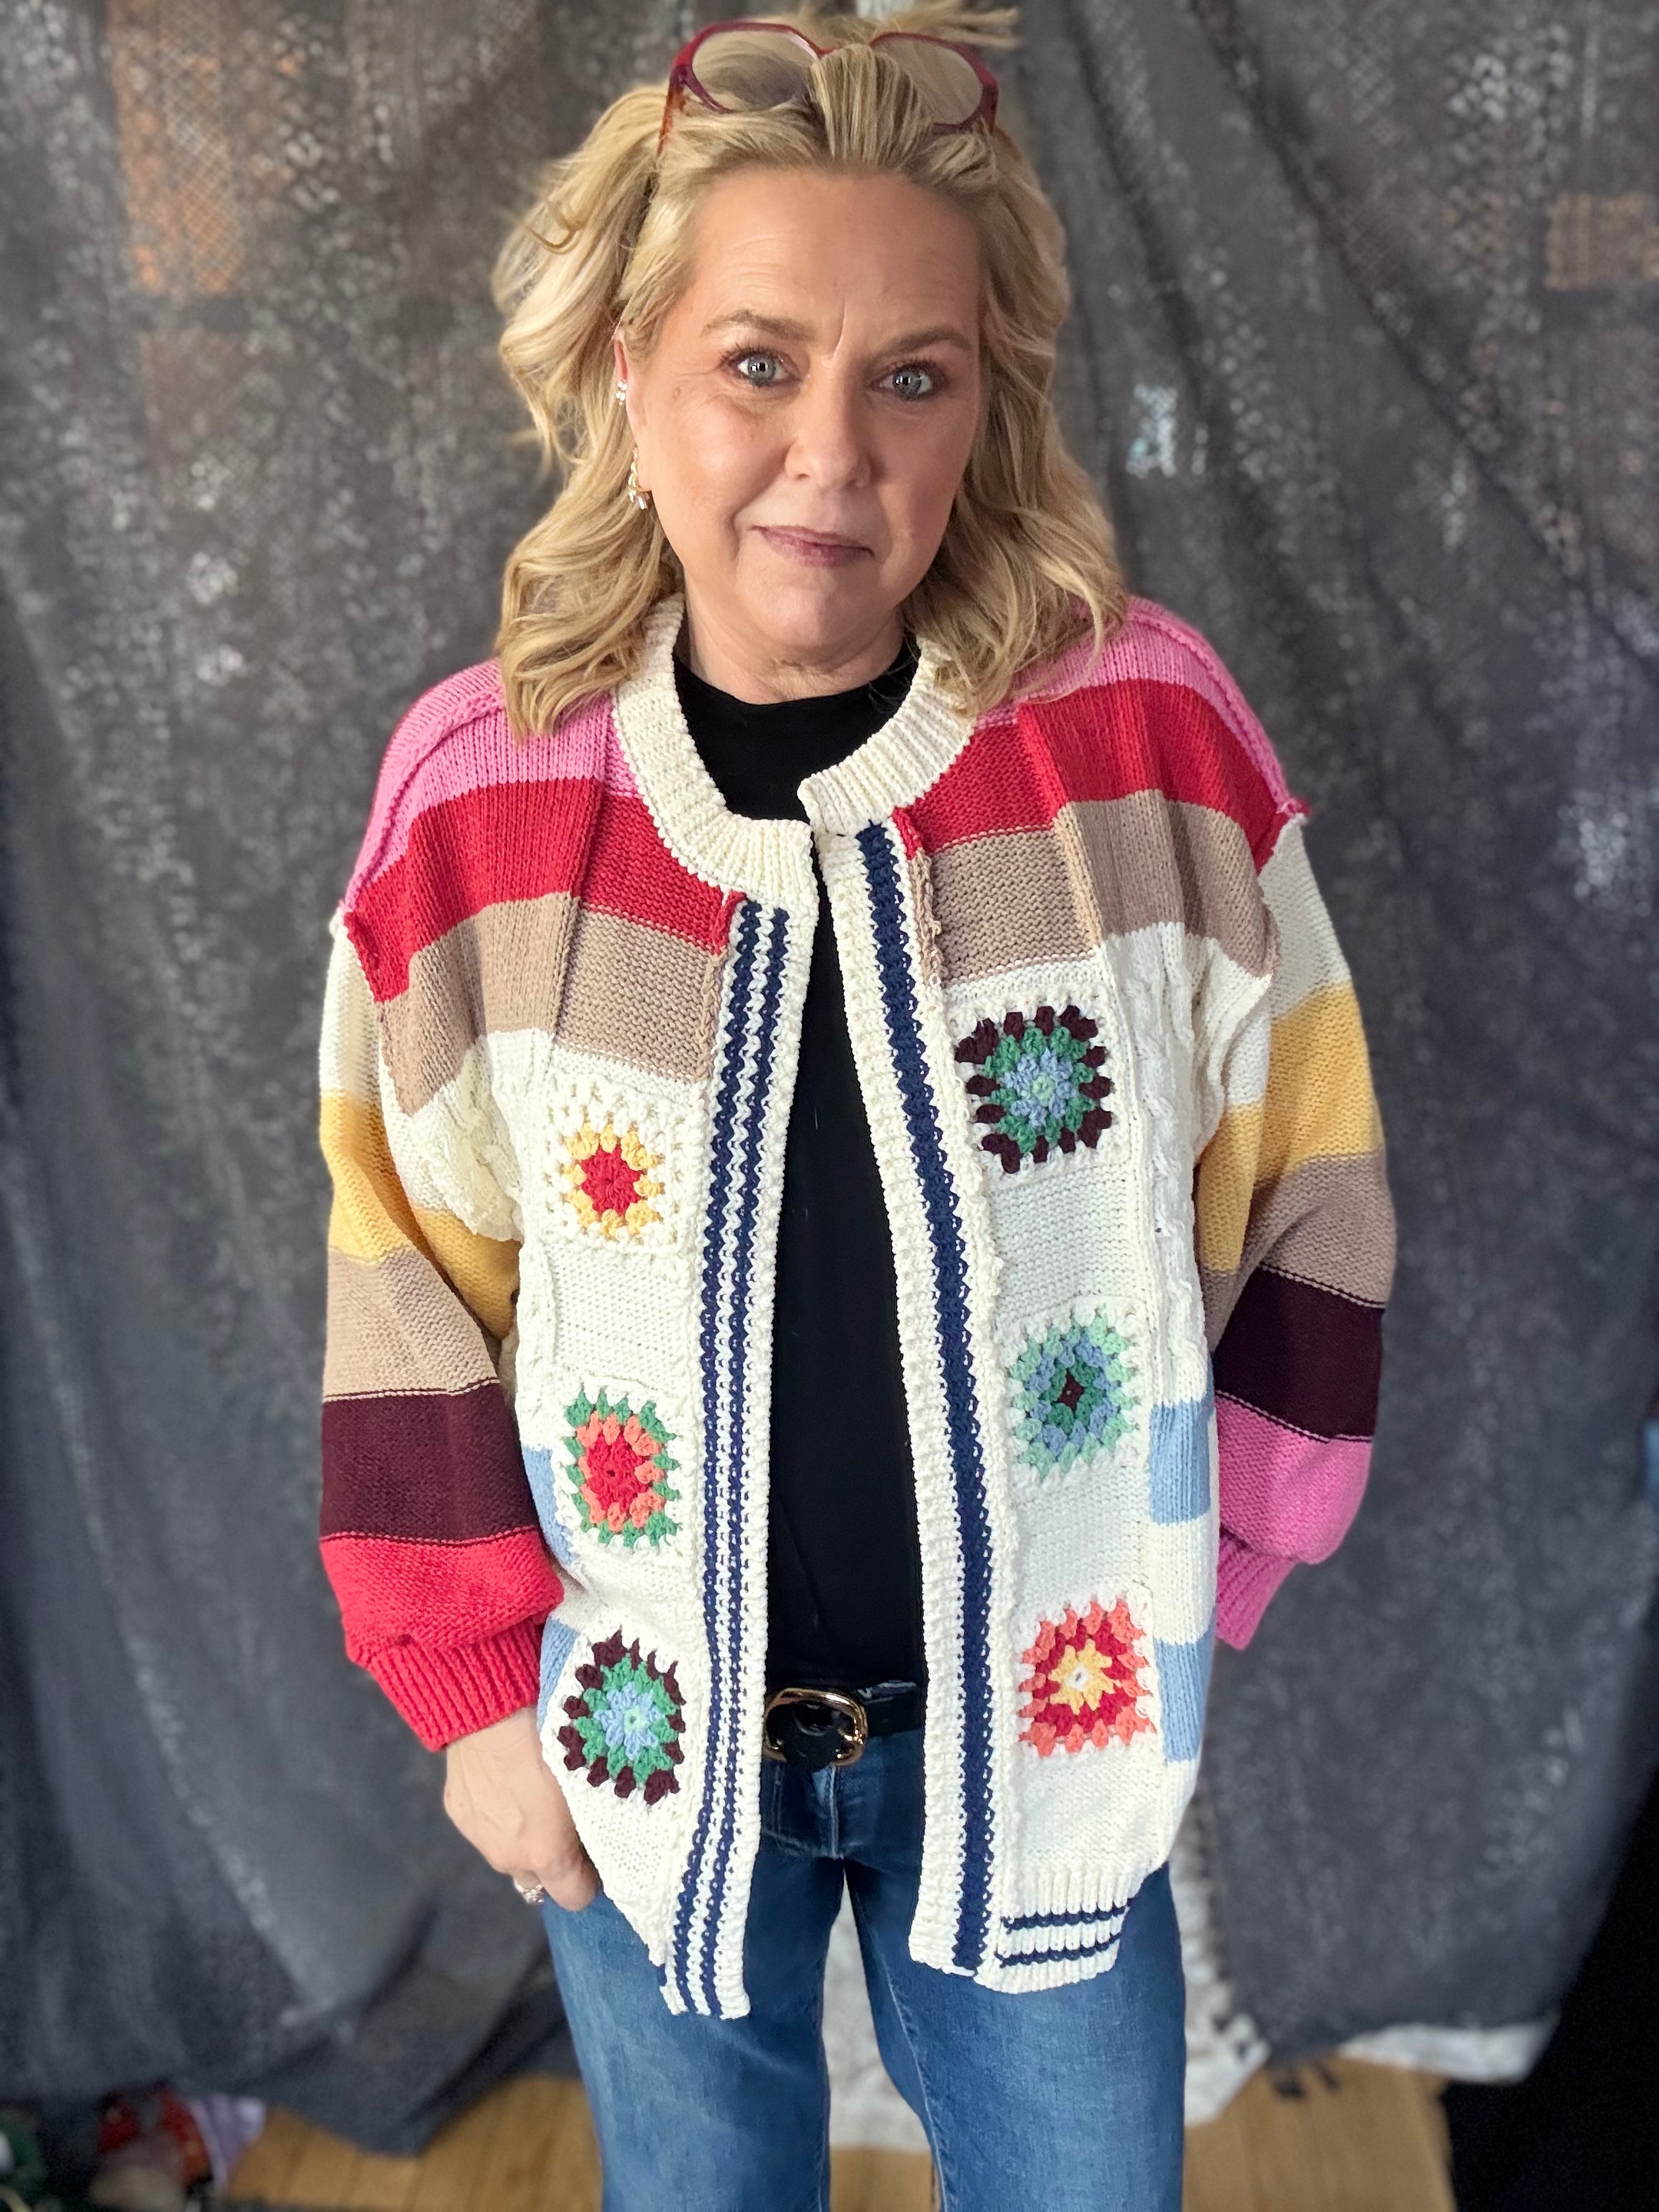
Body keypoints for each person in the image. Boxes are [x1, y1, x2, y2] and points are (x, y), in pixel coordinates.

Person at [314, 9, 1395, 2206]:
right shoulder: (485, 801)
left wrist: (1203, 1585)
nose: (831, 452)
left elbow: (1315, 1184)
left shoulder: (1141, 752)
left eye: (913, 375)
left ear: (983, 405)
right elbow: (400, 1266)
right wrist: (480, 1694)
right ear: (629, 365)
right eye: (758, 363)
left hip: (1050, 1722)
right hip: (637, 1731)